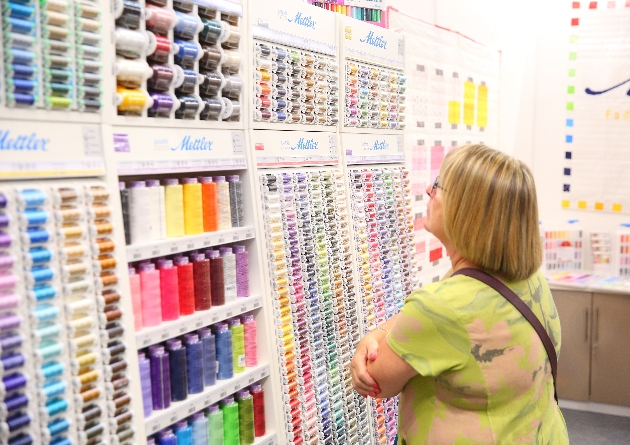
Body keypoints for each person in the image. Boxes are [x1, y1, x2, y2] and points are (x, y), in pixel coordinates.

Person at [351, 145, 569, 444]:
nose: (429, 189)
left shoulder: (439, 306)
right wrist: (382, 331)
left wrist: (373, 338)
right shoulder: (531, 280)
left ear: (466, 210)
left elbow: (376, 380)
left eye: (439, 185)